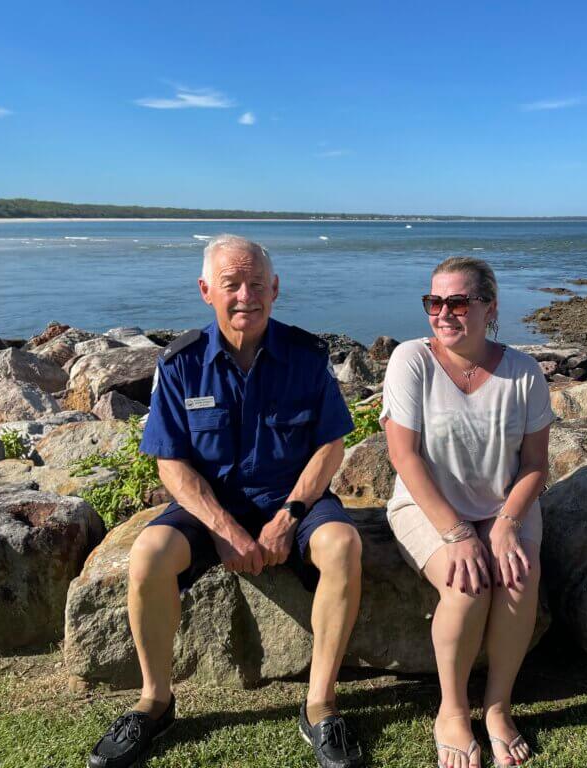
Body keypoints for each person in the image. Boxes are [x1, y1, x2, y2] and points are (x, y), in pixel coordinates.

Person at [88, 235, 365, 768]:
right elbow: (170, 462)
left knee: (343, 545)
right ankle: (155, 700)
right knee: (147, 555)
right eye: (232, 284)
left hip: (291, 501)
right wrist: (224, 528)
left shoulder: (306, 357)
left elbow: (331, 445)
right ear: (205, 290)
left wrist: (289, 516)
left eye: (257, 284)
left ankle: (320, 705)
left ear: (275, 289)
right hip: (209, 506)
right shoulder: (181, 363)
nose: (246, 296)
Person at [381, 257, 553, 768]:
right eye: (434, 302)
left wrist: (506, 523)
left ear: (489, 307)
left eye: (458, 302)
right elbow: (403, 456)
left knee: (519, 578)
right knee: (466, 584)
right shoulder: (411, 360)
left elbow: (536, 465)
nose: (443, 313)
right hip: (426, 505)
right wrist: (457, 533)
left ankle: (497, 707)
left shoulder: (523, 372)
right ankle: (453, 711)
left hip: (506, 505)